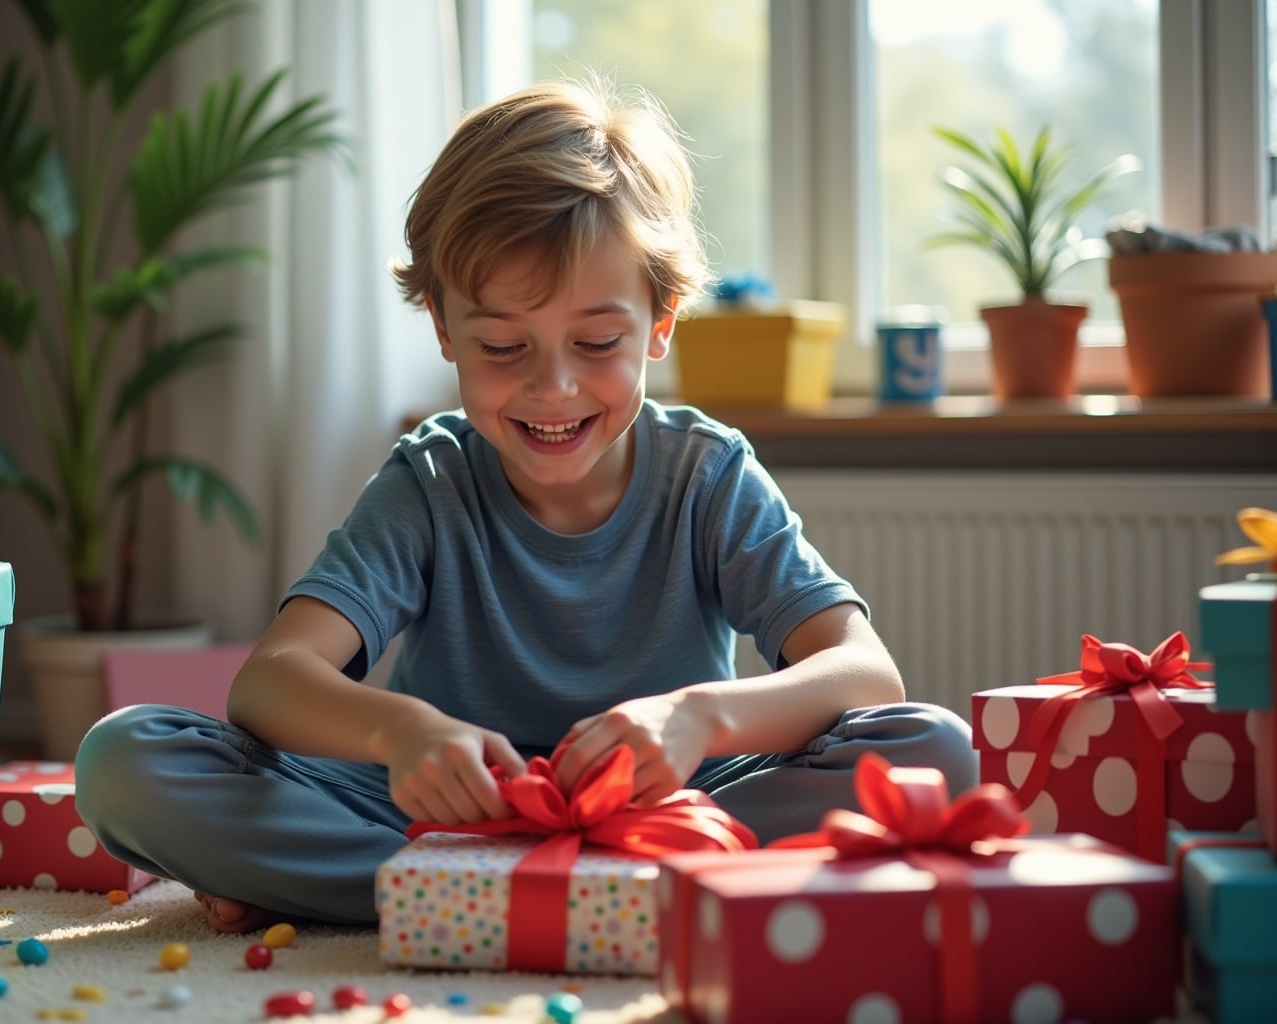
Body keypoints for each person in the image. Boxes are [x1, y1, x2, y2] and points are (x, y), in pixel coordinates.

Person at [75, 77, 977, 933]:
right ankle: (591, 896)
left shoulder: (705, 474)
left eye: (596, 341)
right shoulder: (430, 483)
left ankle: (422, 895)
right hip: (432, 815)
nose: (553, 388)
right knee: (126, 761)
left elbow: (864, 672)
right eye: (504, 346)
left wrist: (702, 716)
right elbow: (270, 682)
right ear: (443, 328)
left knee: (931, 749)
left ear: (660, 322)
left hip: (667, 810)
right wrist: (405, 732)